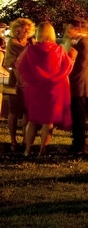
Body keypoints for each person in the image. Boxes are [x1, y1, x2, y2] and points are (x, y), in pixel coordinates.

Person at [15, 22, 75, 157]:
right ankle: (43, 149)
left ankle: (28, 149)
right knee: (48, 121)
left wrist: (30, 79)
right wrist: (72, 58)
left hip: (35, 89)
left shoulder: (30, 50)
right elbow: (66, 68)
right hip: (52, 90)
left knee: (33, 120)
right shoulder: (58, 50)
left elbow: (21, 66)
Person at [67, 19, 88, 155]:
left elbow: (80, 68)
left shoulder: (83, 44)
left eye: (69, 29)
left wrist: (67, 77)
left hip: (79, 86)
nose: (67, 32)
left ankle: (79, 145)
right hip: (82, 85)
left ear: (77, 29)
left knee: (78, 118)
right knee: (78, 117)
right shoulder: (85, 43)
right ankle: (78, 144)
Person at [4, 17, 33, 152]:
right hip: (15, 81)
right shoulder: (12, 43)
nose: (25, 32)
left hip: (29, 81)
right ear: (16, 30)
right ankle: (13, 140)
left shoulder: (31, 42)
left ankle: (25, 139)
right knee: (14, 112)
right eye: (23, 29)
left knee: (27, 111)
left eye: (28, 29)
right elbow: (11, 61)